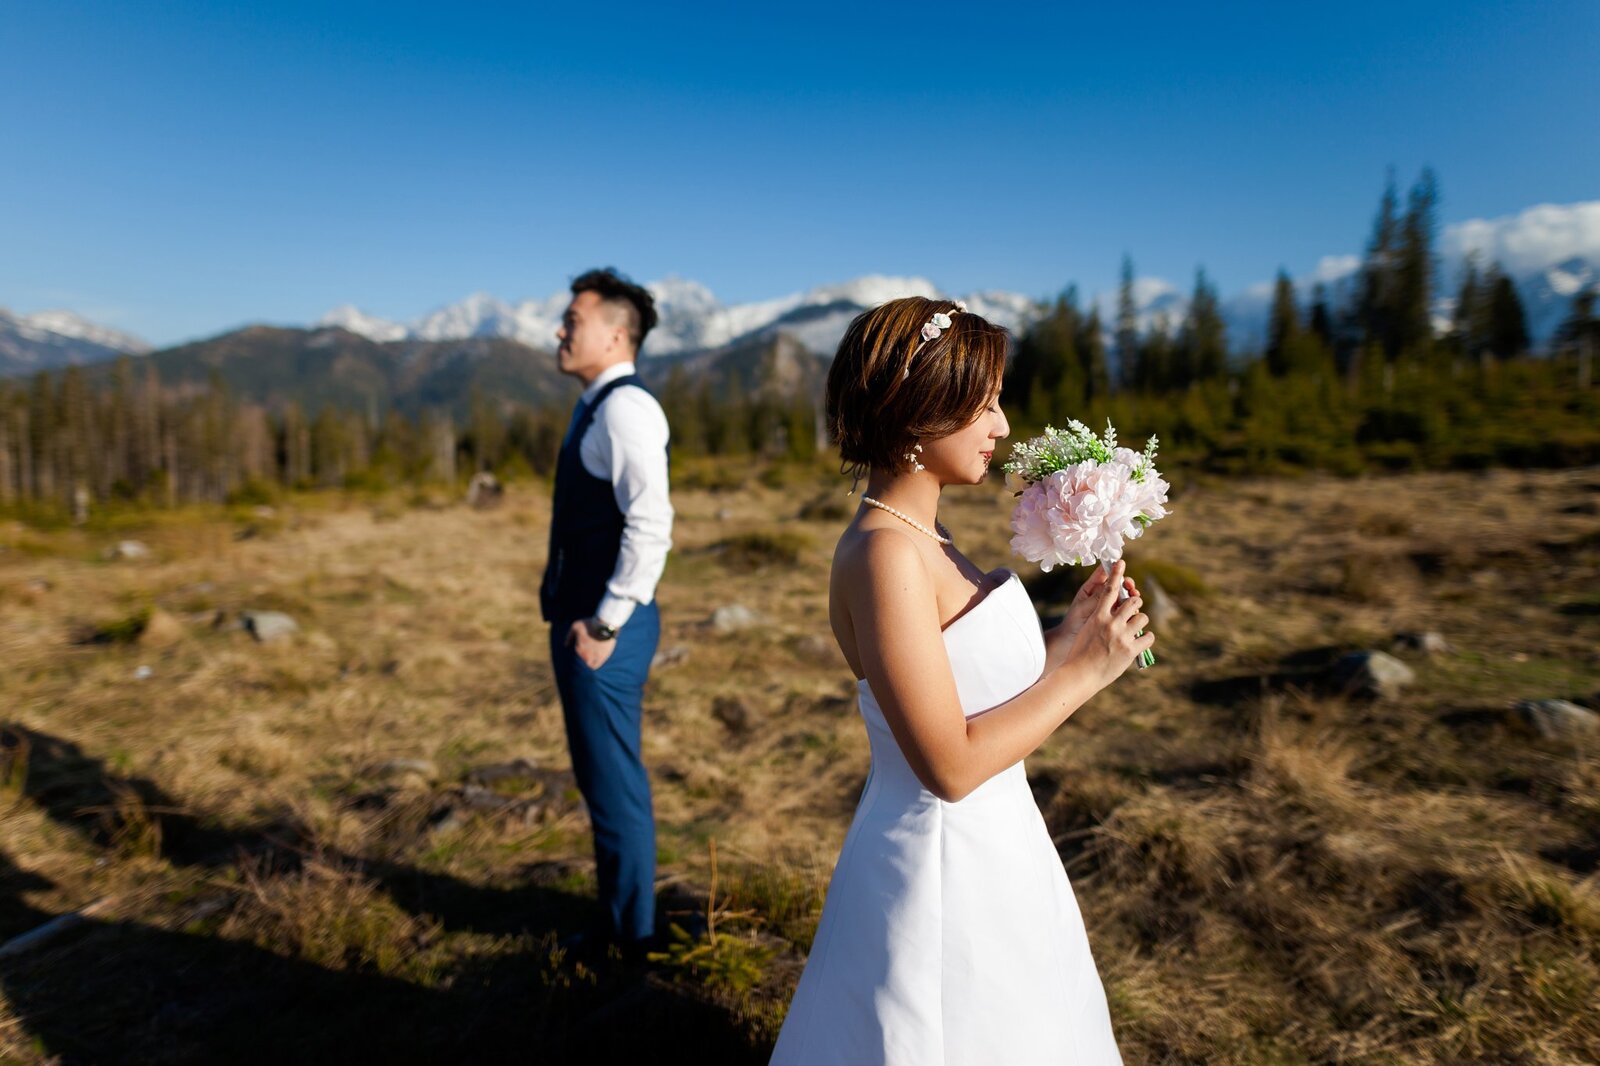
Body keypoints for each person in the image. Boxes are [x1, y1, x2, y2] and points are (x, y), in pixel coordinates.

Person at [769, 297, 1148, 1064]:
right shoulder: (884, 555)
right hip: (939, 866)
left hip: (1001, 847)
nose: (1003, 427)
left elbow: (960, 681)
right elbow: (948, 764)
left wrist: (1066, 636)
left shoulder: (924, 534)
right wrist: (1084, 675)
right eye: (984, 404)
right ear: (918, 412)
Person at [539, 267, 672, 951]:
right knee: (602, 782)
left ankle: (632, 949)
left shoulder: (624, 408)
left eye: (573, 319)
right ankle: (620, 925)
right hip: (593, 622)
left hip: (605, 631)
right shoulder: (598, 403)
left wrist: (604, 622)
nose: (560, 329)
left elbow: (651, 525)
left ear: (616, 333)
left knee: (615, 790)